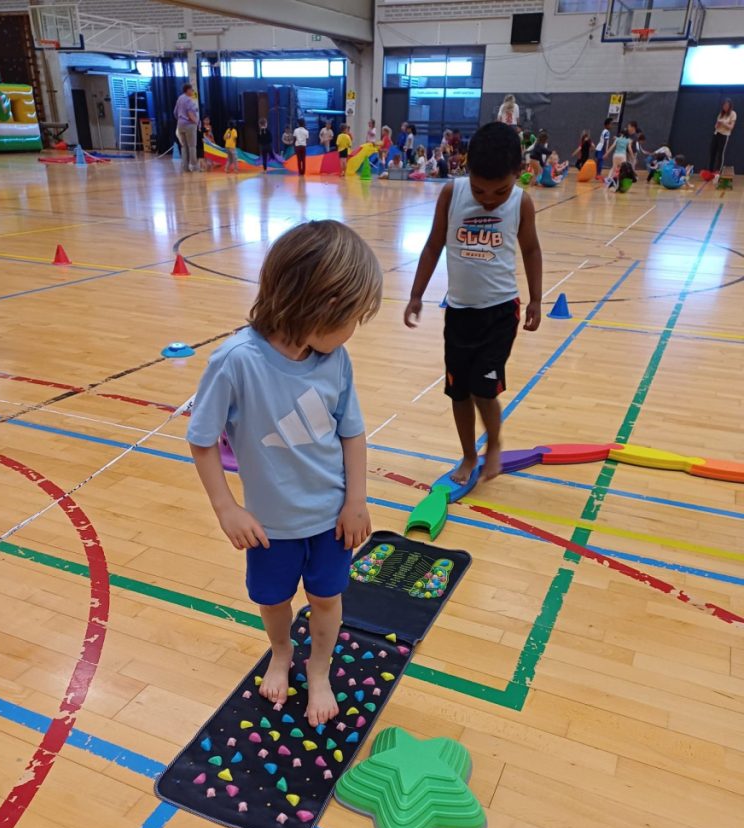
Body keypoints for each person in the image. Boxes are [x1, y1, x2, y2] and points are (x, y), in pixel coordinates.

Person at [187, 220, 382, 727]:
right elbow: (202, 439)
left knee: (326, 598)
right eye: (352, 317)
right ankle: (280, 652)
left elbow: (352, 433)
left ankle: (319, 668)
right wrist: (226, 508)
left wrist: (356, 500)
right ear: (320, 306)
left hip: (331, 520)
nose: (353, 330)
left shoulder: (335, 360)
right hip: (270, 528)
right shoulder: (236, 362)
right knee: (274, 601)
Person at [403, 122, 542, 485]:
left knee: (484, 388)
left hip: (500, 312)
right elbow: (433, 245)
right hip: (459, 313)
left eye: (500, 191)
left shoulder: (521, 202)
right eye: (480, 190)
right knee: (459, 390)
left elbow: (531, 249)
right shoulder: (453, 194)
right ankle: (468, 454)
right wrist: (416, 295)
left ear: (518, 173)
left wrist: (536, 299)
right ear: (466, 169)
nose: (489, 199)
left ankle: (493, 443)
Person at [173, 83, 199, 173]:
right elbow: (190, 114)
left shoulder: (180, 98)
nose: (193, 91)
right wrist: (197, 122)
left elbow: (175, 112)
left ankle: (185, 167)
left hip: (180, 125)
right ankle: (194, 166)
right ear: (187, 90)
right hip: (189, 125)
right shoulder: (189, 100)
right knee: (192, 146)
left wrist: (180, 119)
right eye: (191, 90)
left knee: (184, 147)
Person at [709, 98, 737, 173]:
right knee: (712, 152)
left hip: (724, 135)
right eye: (724, 105)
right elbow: (716, 126)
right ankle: (710, 170)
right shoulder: (721, 114)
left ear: (730, 106)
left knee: (720, 153)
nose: (725, 107)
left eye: (727, 105)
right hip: (716, 134)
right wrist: (718, 124)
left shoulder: (733, 113)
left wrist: (723, 123)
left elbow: (731, 127)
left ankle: (718, 171)